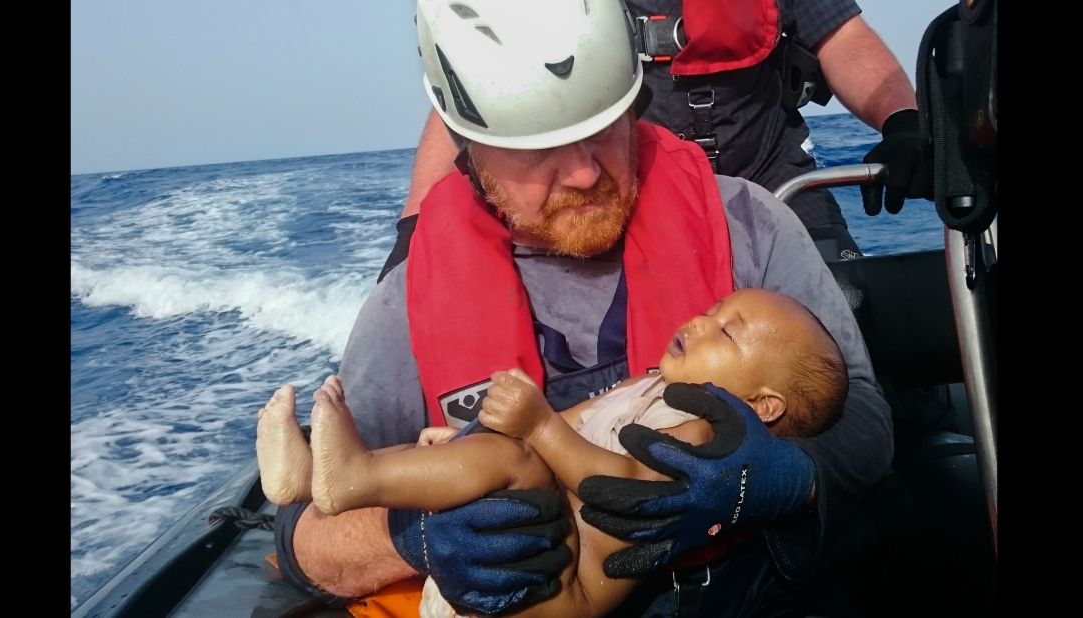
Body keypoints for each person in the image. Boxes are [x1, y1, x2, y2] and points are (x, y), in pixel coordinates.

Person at [270, 1, 891, 616]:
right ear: (470, 149)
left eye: (602, 130)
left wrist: (781, 477)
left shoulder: (752, 226)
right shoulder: (406, 302)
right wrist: (413, 538)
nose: (584, 173)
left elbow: (863, 416)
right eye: (539, 151)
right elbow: (307, 534)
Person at [258, 288, 848, 617]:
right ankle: (321, 478)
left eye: (726, 331)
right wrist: (469, 442)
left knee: (514, 463)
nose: (698, 319)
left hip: (561, 592)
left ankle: (350, 475)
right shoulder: (648, 387)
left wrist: (538, 427)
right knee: (500, 454)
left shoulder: (704, 438)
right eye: (713, 309)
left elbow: (622, 488)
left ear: (764, 406)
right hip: (506, 556)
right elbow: (573, 423)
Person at [379, 0, 932, 282]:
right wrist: (414, 228)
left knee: (849, 303)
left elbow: (846, 41)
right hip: (637, 195)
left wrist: (903, 122)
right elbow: (479, 94)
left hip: (778, 184)